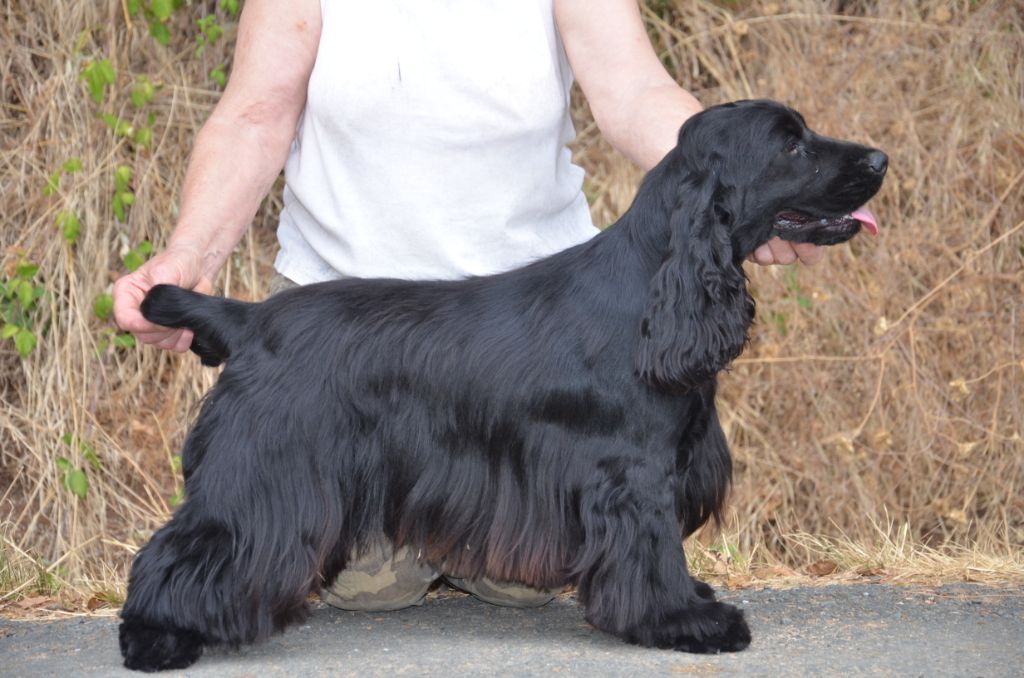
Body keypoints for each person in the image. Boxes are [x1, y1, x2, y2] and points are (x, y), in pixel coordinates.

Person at [114, 0, 821, 611]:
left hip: (533, 341)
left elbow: (635, 90)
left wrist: (744, 190)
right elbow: (254, 115)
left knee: (528, 584)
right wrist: (190, 254)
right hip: (349, 343)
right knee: (358, 586)